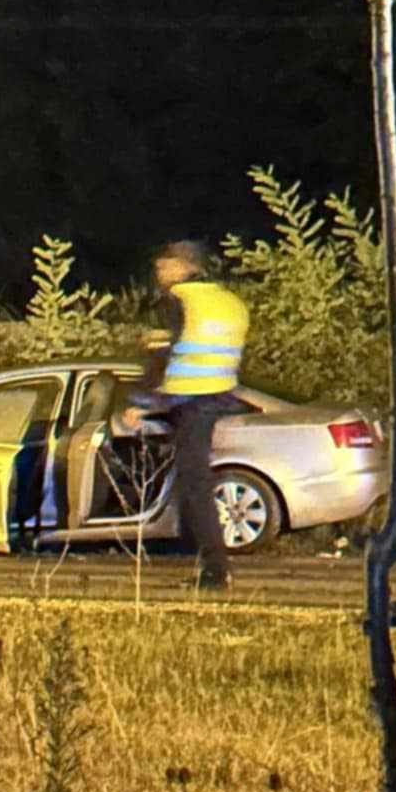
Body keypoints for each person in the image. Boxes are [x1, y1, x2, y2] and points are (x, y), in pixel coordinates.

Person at [121, 240, 250, 591]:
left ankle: (215, 571)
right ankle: (206, 562)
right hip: (218, 395)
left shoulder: (179, 300)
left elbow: (168, 354)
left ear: (182, 266)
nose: (159, 275)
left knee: (195, 486)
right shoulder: (227, 301)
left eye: (164, 267)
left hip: (187, 401)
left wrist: (143, 403)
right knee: (195, 483)